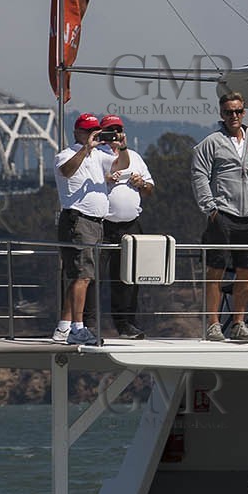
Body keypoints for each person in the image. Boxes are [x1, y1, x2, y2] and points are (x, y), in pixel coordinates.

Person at [190, 89, 248, 343]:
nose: (234, 116)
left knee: (246, 271)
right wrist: (210, 208)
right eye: (228, 112)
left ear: (244, 112)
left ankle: (238, 322)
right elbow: (199, 175)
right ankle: (214, 324)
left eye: (238, 111)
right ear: (221, 114)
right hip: (222, 215)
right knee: (215, 270)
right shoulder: (211, 142)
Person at [53, 113, 128, 344]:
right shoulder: (65, 155)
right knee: (82, 276)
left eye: (96, 131)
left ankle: (65, 327)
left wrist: (122, 147)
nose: (93, 135)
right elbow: (66, 171)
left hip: (96, 223)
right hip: (78, 220)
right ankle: (77, 328)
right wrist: (85, 148)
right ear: (77, 132)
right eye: (88, 131)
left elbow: (121, 164)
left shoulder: (99, 156)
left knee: (83, 277)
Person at [99, 114, 155, 339]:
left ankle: (126, 324)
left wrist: (142, 184)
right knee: (94, 276)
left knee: (129, 278)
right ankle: (88, 322)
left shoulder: (134, 157)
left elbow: (150, 189)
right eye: (110, 130)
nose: (115, 135)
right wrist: (105, 179)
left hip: (131, 226)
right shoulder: (95, 156)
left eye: (118, 129)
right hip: (103, 225)